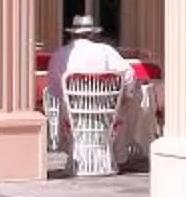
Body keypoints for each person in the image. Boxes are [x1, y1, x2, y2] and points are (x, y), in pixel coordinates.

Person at [48, 13, 135, 166]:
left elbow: (55, 91)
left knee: (62, 105)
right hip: (104, 114)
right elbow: (129, 74)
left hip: (73, 116)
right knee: (131, 106)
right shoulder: (106, 51)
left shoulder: (60, 55)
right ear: (93, 34)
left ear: (73, 34)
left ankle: (76, 156)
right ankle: (119, 154)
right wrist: (123, 96)